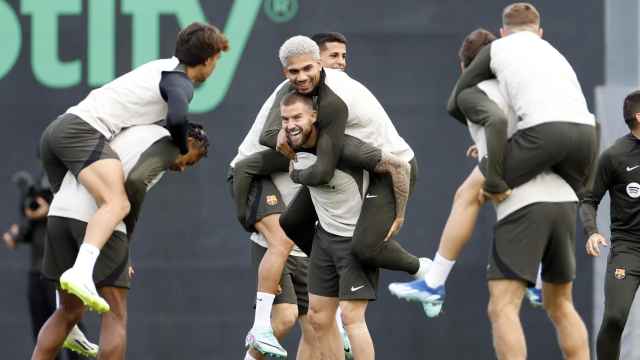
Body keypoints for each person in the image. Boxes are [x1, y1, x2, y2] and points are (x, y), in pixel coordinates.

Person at [38, 22, 228, 313]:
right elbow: (177, 120)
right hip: (80, 132)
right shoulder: (179, 81)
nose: (215, 67)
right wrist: (179, 147)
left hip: (57, 132)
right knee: (116, 202)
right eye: (217, 60)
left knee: (67, 209)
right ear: (208, 59)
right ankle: (81, 273)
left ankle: (66, 314)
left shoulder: (160, 68)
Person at [31, 124, 209, 360]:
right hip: (98, 216)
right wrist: (125, 236)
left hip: (60, 213)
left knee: (67, 311)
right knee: (115, 313)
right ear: (188, 142)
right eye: (190, 160)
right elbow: (136, 181)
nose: (184, 168)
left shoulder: (135, 132)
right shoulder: (169, 144)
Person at [282, 92, 407, 359]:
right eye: (285, 119)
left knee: (351, 317)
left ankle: (421, 268)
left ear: (314, 116)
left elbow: (400, 167)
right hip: (324, 239)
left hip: (355, 240)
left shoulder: (344, 148)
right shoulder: (290, 146)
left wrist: (399, 214)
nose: (290, 124)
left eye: (297, 117)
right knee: (317, 317)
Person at [3, 171, 97, 359]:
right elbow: (11, 239)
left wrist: (51, 209)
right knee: (43, 330)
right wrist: (31, 217)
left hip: (59, 276)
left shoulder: (65, 211)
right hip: (37, 276)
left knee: (71, 327)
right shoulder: (35, 222)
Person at [581, 91, 640, 359]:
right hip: (629, 249)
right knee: (615, 318)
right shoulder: (615, 155)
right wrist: (592, 232)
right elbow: (589, 199)